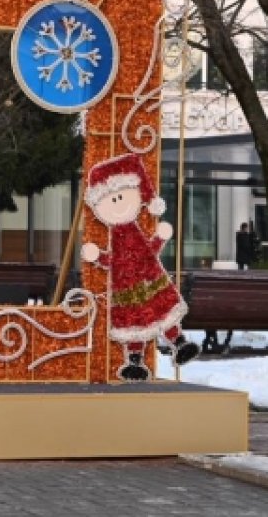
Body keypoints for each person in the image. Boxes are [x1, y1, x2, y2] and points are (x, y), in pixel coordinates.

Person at [81, 153, 200, 381]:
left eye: (121, 196)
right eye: (110, 199)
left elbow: (146, 252)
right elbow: (116, 261)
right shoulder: (116, 236)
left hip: (149, 279)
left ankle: (178, 343)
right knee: (135, 323)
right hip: (127, 286)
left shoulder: (132, 233)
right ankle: (135, 360)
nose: (117, 203)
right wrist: (98, 256)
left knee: (160, 314)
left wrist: (159, 239)